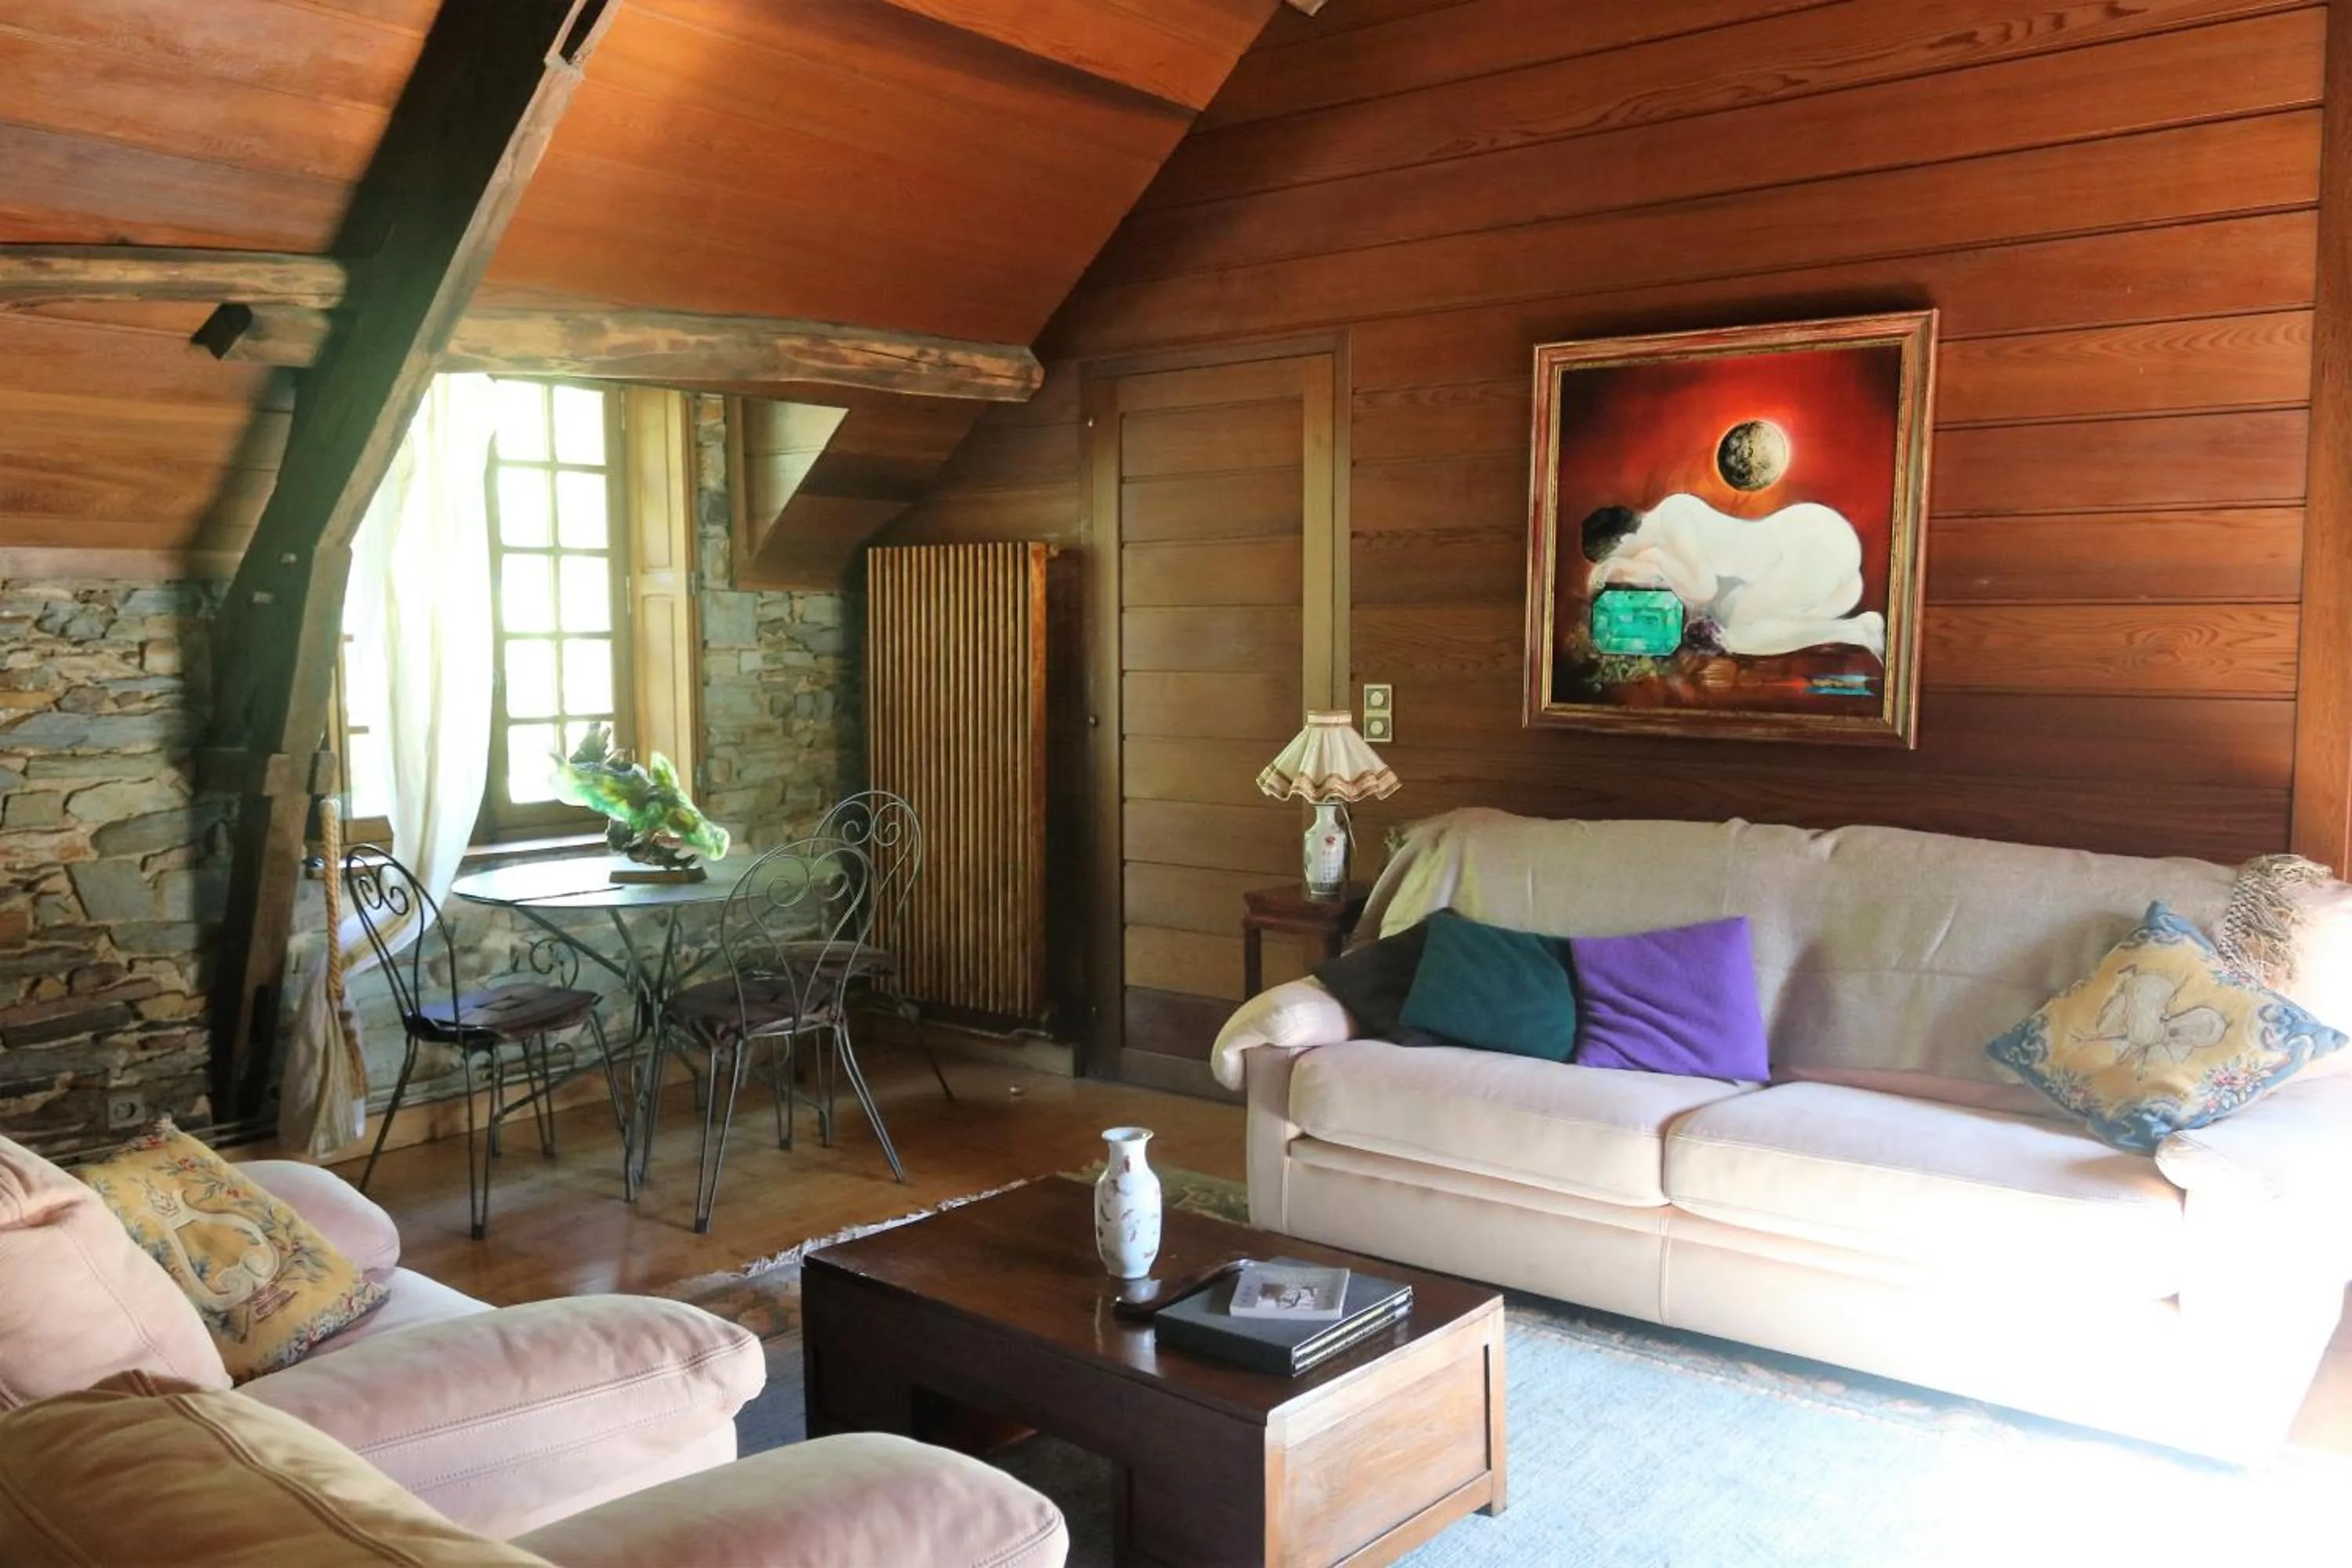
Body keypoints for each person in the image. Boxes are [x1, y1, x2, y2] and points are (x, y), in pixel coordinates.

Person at [1581, 492, 1886, 659]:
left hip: (1814, 545)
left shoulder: (1672, 517)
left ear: (1622, 542)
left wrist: (1650, 565)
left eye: (1619, 560)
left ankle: (1857, 632)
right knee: (1733, 615)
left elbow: (1702, 589)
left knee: (1734, 636)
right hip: (1825, 560)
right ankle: (1858, 628)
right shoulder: (1668, 524)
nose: (1626, 573)